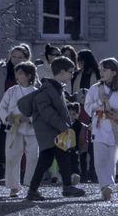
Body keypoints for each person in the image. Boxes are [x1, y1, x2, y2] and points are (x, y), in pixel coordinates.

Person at [25, 56, 87, 201]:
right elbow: (48, 113)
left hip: (52, 131)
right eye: (70, 72)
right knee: (48, 159)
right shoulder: (48, 89)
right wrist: (63, 126)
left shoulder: (55, 88)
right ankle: (60, 188)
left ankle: (62, 187)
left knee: (55, 158)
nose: (72, 75)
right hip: (50, 131)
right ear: (62, 72)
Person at [84, 57, 118, 201]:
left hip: (114, 127)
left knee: (111, 160)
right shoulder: (95, 89)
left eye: (104, 70)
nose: (101, 72)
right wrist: (100, 101)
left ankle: (108, 186)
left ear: (113, 72)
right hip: (99, 127)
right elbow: (87, 107)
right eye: (100, 70)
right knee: (100, 160)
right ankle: (105, 187)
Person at [0, 43, 31, 181]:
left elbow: (36, 88)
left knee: (23, 142)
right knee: (0, 142)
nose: (16, 59)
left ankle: (21, 170)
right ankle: (2, 165)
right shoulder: (1, 69)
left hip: (23, 113)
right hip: (3, 112)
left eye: (20, 57)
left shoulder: (31, 71)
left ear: (26, 58)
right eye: (14, 56)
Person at [0, 61, 40, 198]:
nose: (17, 75)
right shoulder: (11, 91)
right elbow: (2, 107)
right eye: (17, 72)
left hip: (31, 129)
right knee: (12, 157)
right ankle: (14, 186)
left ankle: (31, 185)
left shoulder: (36, 92)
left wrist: (30, 119)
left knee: (33, 157)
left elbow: (40, 111)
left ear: (29, 75)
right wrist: (6, 118)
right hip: (14, 127)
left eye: (21, 73)